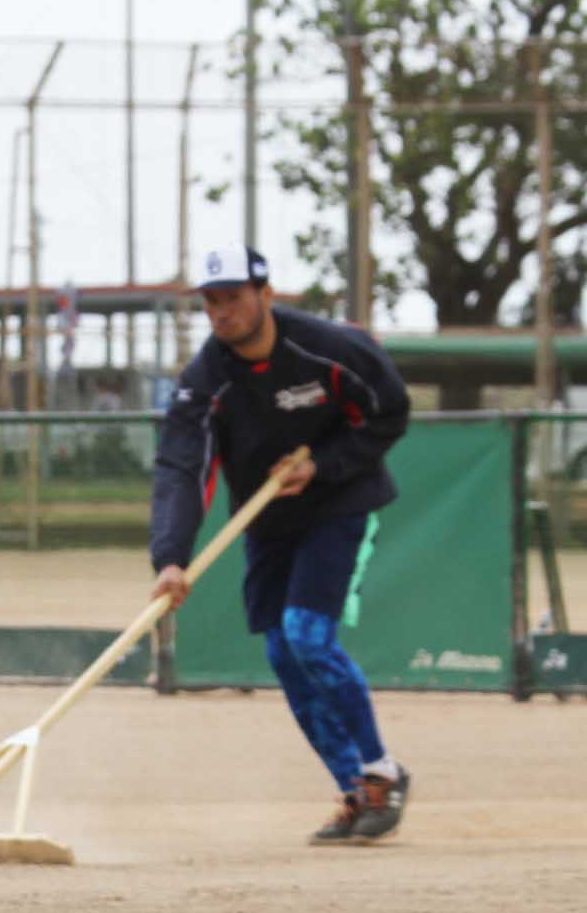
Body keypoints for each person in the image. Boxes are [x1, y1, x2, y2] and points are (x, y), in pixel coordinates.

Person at [148, 246, 413, 845]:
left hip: (339, 503)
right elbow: (181, 468)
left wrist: (323, 463)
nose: (222, 312)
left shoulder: (331, 348)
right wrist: (170, 557)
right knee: (282, 655)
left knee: (306, 634)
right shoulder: (204, 383)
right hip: (265, 520)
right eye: (211, 302)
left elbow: (389, 413)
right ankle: (354, 790)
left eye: (234, 297)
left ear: (266, 295)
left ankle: (382, 774)